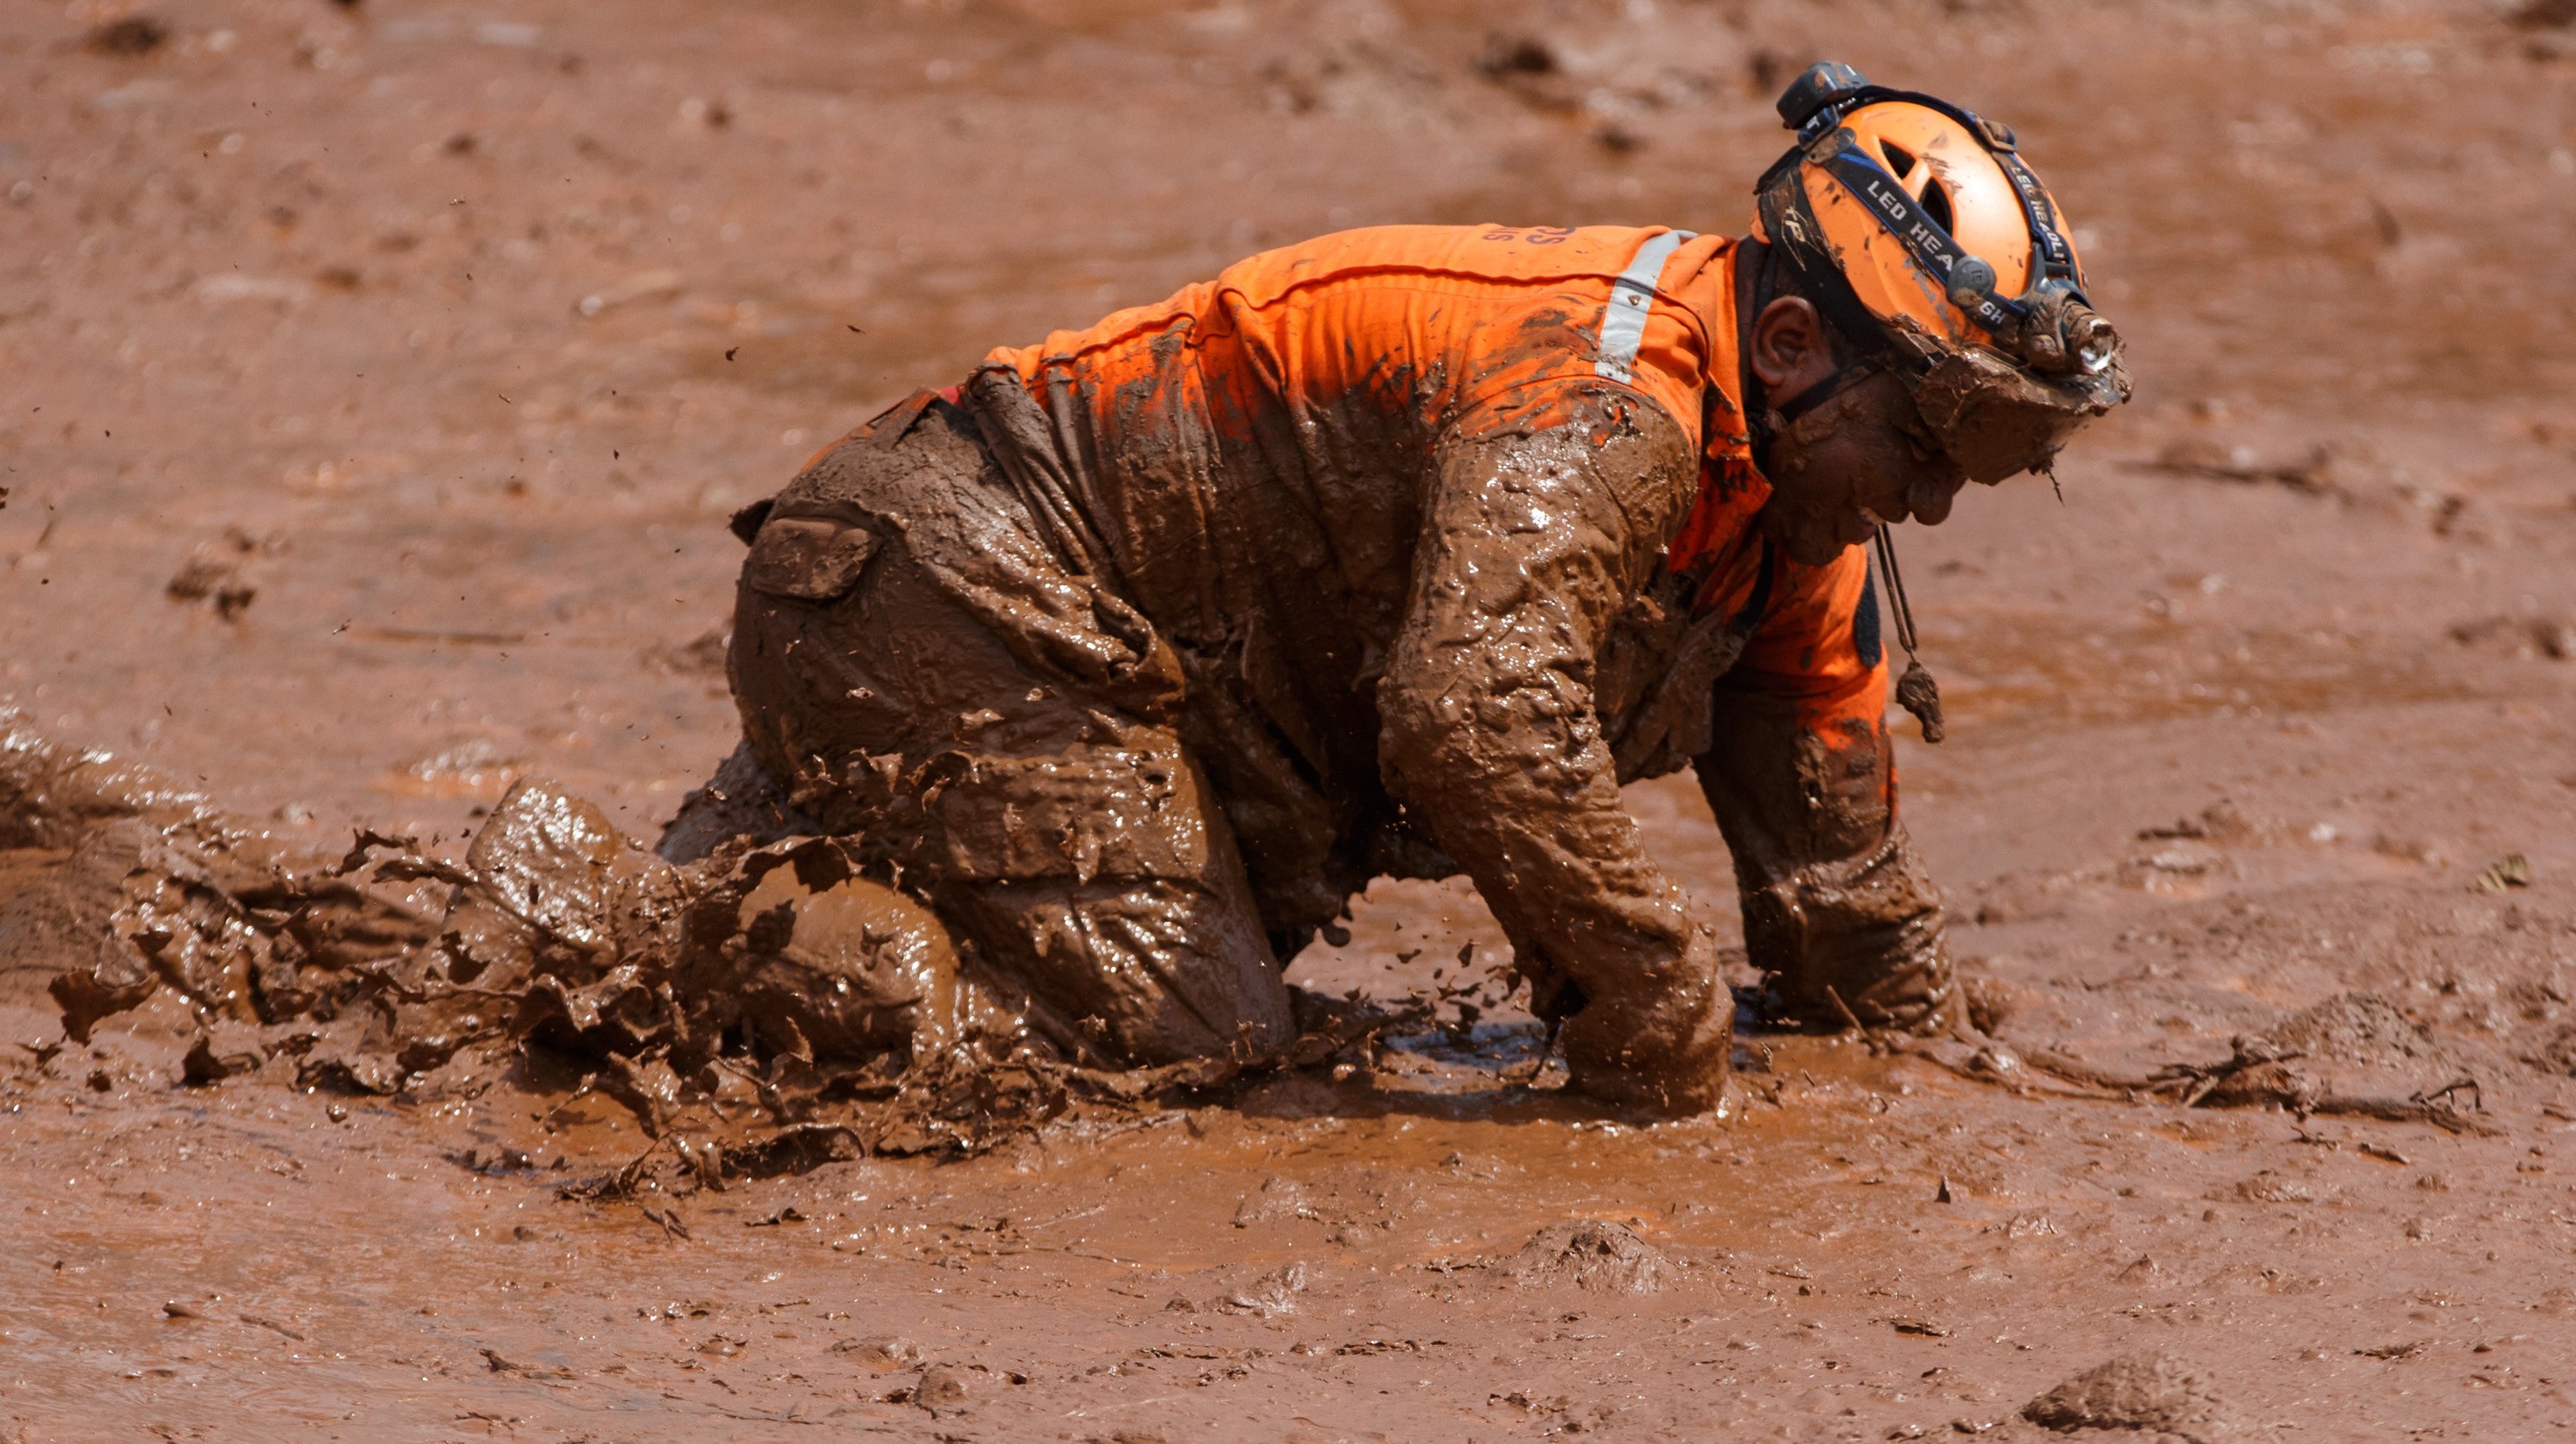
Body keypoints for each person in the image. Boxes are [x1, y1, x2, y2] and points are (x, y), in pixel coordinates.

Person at [683, 62, 2130, 1117]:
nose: (1936, 500)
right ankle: (673, 933)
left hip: (1060, 641)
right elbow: (1474, 716)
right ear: (1800, 343)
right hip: (952, 583)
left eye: (1989, 461)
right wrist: (1655, 1001)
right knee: (1189, 1039)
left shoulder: (1792, 509)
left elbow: (1844, 902)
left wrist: (1935, 1061)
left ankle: (793, 854)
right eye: (1933, 439)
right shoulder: (1608, 407)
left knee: (1211, 975)